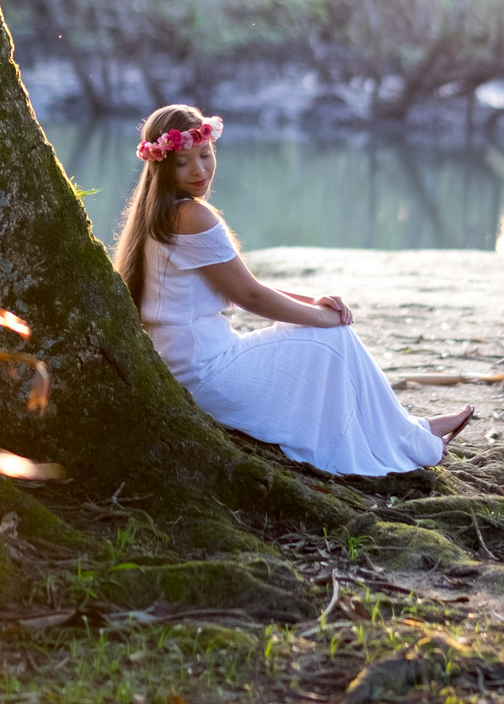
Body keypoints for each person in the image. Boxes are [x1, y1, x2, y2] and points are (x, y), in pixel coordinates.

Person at [114, 104, 474, 477]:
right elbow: (249, 297)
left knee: (331, 335)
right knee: (333, 338)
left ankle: (411, 431)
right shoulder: (192, 216)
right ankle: (414, 436)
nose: (199, 170)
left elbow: (241, 285)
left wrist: (312, 302)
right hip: (206, 372)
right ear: (161, 165)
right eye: (182, 162)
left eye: (205, 155)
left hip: (187, 365)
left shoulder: (153, 214)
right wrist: (322, 318)